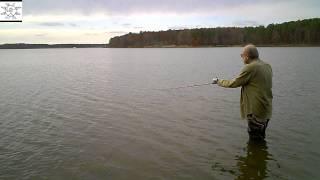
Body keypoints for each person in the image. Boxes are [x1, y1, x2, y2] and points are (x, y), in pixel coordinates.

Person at [212, 44, 273, 140]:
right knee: (260, 138)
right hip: (266, 110)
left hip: (255, 112)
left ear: (247, 56)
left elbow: (234, 83)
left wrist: (218, 81)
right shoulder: (267, 66)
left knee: (255, 140)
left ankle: (254, 154)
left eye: (242, 55)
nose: (241, 57)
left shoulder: (250, 68)